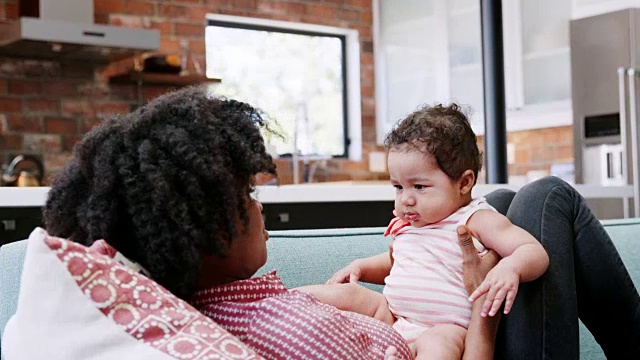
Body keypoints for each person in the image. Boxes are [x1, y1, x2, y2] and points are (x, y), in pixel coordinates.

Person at [40, 87, 499, 360]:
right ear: (209, 230)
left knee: (516, 203)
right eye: (248, 196)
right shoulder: (295, 331)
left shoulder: (234, 309)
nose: (260, 209)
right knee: (543, 201)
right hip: (473, 331)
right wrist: (482, 307)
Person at [306, 104, 549, 359]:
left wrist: (510, 267)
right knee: (345, 295)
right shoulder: (413, 223)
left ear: (464, 183)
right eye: (398, 187)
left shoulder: (475, 219)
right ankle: (276, 303)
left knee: (438, 345)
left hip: (444, 328)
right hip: (392, 315)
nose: (406, 199)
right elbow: (397, 260)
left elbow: (533, 251)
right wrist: (362, 267)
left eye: (419, 186)